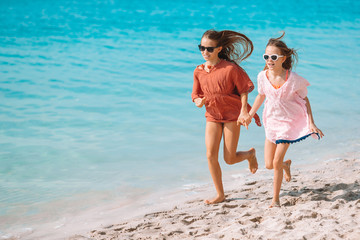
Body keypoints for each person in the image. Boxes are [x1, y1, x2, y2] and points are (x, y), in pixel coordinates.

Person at [244, 32, 324, 208]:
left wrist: (311, 123)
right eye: (266, 56)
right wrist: (250, 115)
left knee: (275, 162)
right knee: (268, 165)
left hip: (289, 123)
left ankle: (275, 199)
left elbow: (305, 100)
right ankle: (286, 166)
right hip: (271, 121)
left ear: (283, 58)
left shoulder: (293, 79)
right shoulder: (262, 76)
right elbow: (260, 96)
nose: (269, 60)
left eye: (273, 57)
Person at [192, 29, 261, 204]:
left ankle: (249, 155)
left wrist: (244, 111)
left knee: (229, 159)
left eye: (209, 49)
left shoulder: (230, 68)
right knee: (210, 155)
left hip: (232, 115)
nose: (204, 52)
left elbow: (244, 90)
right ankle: (220, 194)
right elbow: (195, 95)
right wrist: (198, 102)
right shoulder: (198, 71)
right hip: (212, 115)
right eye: (201, 48)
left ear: (219, 49)